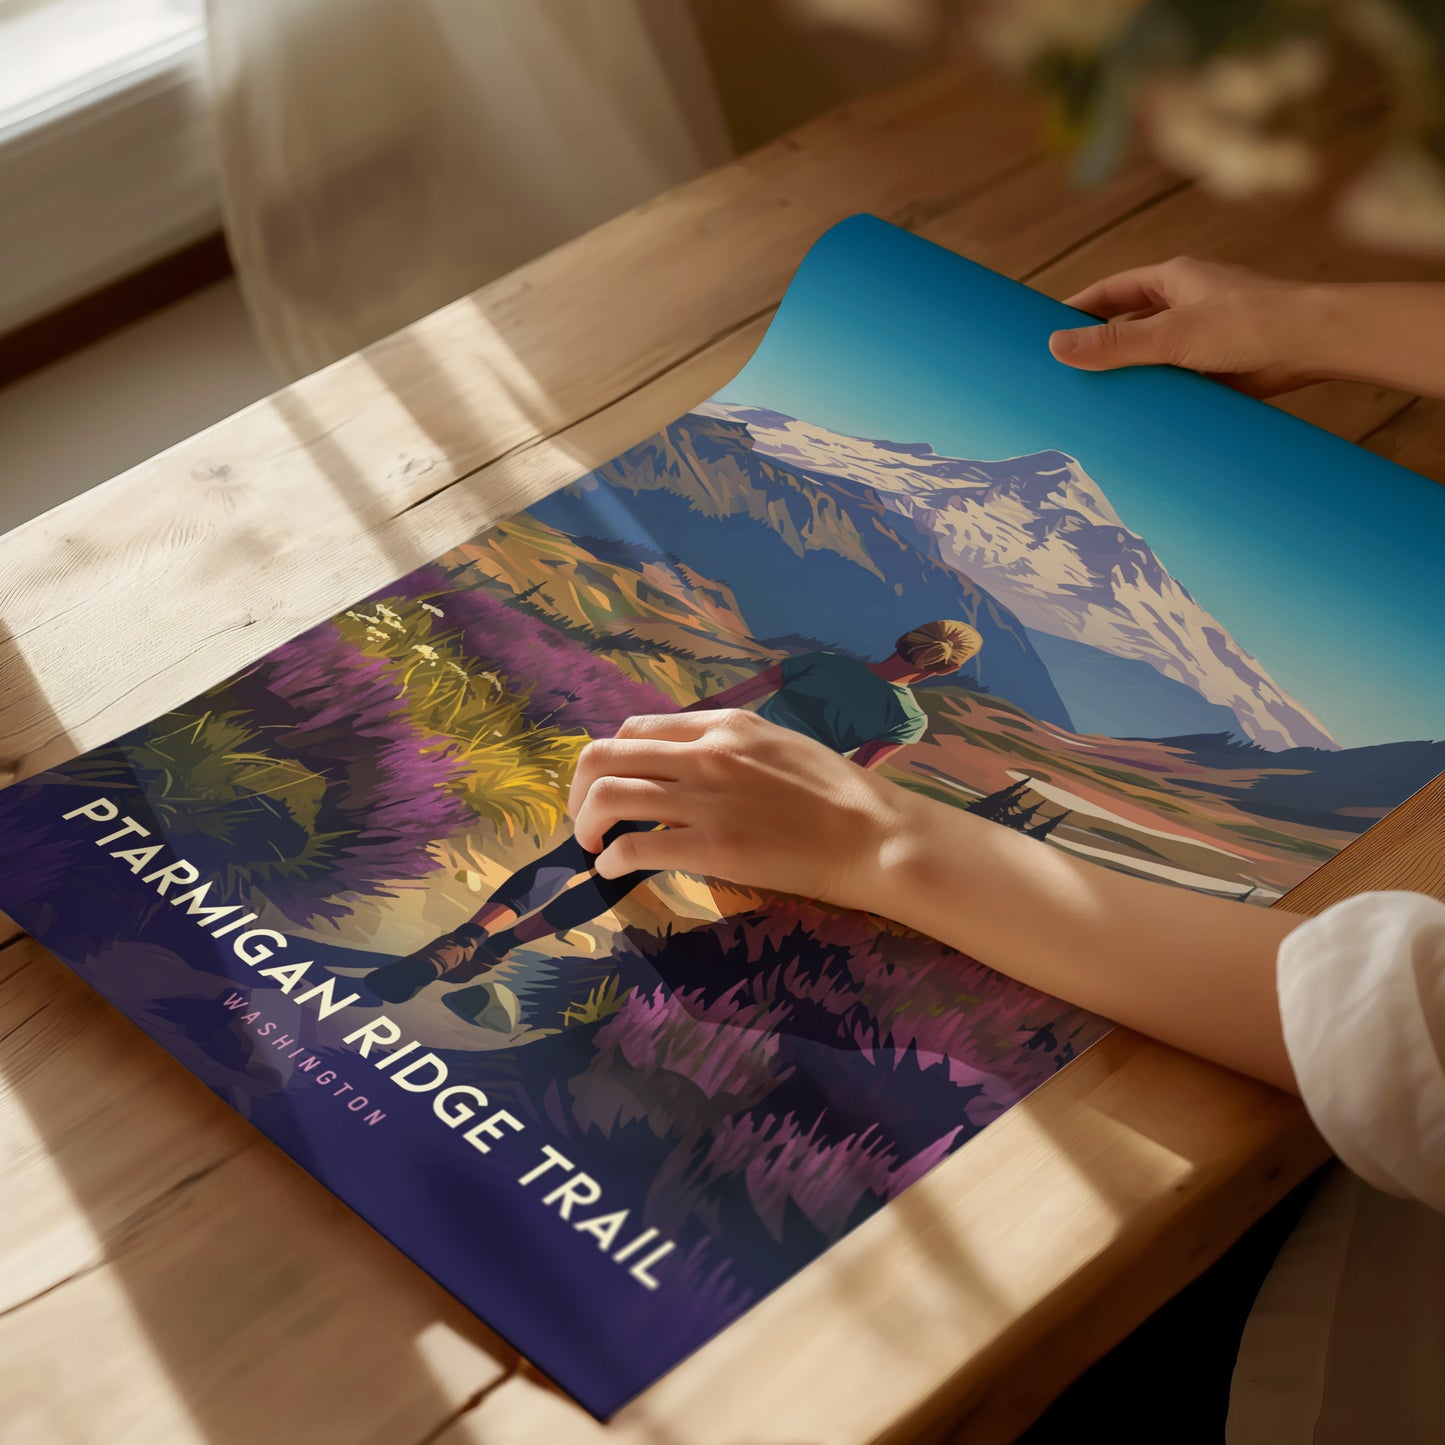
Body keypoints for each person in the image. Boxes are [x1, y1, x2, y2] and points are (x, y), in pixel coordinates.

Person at [568, 259, 1445, 1443]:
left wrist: (880, 845)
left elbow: (1401, 1031)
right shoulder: (902, 711)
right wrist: (1319, 314)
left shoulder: (883, 707)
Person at [364, 620, 983, 1014]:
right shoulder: (907, 720)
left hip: (694, 760)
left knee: (576, 851)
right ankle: (497, 951)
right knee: (621, 875)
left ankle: (465, 936)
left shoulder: (820, 661)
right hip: (751, 801)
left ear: (905, 637)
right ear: (941, 669)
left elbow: (720, 704)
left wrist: (658, 738)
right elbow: (852, 779)